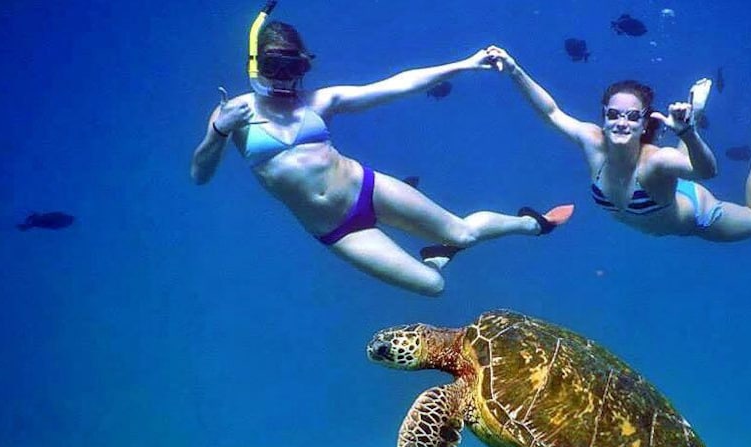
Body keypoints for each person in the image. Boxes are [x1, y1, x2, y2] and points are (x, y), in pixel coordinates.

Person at [190, 19, 573, 297]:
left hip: (368, 188)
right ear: (256, 64)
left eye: (295, 68)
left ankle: (532, 224)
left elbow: (396, 85)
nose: (286, 79)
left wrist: (463, 64)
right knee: (434, 286)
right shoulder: (233, 114)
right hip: (337, 230)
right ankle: (437, 257)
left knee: (464, 233)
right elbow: (199, 174)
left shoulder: (319, 101)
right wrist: (218, 131)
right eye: (276, 67)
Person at [485, 46, 751, 242]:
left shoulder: (656, 161)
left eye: (631, 117)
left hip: (695, 213)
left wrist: (689, 134)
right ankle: (688, 118)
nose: (621, 122)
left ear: (644, 123)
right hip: (663, 185)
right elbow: (551, 113)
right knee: (673, 161)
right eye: (614, 114)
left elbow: (707, 172)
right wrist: (514, 70)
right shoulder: (592, 141)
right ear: (603, 117)